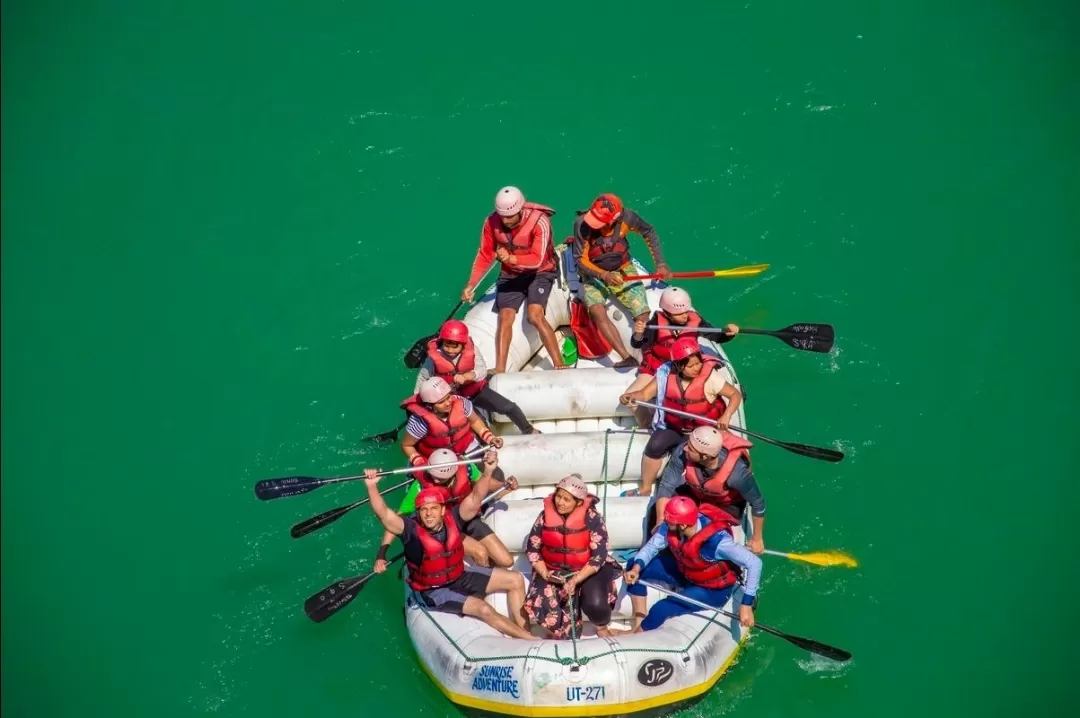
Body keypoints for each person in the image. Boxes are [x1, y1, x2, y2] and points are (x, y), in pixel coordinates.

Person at [364, 450, 533, 639]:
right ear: (418, 512)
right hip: (434, 591)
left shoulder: (454, 518)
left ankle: (527, 632)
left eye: (433, 509)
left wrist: (488, 471)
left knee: (515, 579)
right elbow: (384, 514)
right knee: (484, 609)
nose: (428, 514)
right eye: (424, 510)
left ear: (443, 509)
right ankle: (531, 641)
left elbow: (475, 497)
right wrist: (372, 487)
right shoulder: (410, 530)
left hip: (458, 576)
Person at [619, 337, 742, 500]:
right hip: (674, 426)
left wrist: (726, 415)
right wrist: (631, 396)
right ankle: (645, 488)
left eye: (698, 363)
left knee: (681, 455)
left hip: (701, 431)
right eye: (690, 366)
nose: (696, 368)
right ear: (678, 365)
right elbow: (645, 394)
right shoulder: (665, 374)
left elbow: (735, 395)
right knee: (654, 446)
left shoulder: (710, 377)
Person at [461, 186, 566, 374]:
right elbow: (485, 254)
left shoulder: (540, 222)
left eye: (510, 216)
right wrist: (472, 284)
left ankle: (559, 364)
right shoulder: (491, 222)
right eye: (502, 216)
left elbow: (537, 259)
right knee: (505, 317)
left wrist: (511, 258)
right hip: (511, 274)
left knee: (535, 315)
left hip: (540, 272)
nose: (506, 221)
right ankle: (500, 369)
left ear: (520, 209)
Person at [623, 496, 762, 632]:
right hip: (687, 572)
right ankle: (638, 624)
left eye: (669, 521)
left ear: (683, 525)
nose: (665, 523)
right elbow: (652, 547)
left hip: (712, 590)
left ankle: (636, 636)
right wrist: (636, 569)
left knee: (661, 608)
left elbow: (755, 563)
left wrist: (746, 604)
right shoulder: (672, 526)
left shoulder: (718, 542)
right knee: (633, 564)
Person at [373, 447, 519, 573]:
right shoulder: (419, 487)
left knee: (507, 561)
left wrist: (504, 485)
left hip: (467, 519)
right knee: (480, 552)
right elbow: (396, 519)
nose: (435, 480)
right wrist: (381, 553)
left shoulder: (466, 468)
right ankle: (485, 579)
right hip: (445, 528)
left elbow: (487, 484)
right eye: (433, 475)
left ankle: (487, 567)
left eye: (440, 477)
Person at [570, 193, 672, 368]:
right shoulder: (582, 224)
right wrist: (604, 275)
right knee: (597, 311)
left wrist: (661, 264)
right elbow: (580, 259)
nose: (595, 224)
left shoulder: (628, 218)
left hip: (622, 268)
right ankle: (626, 357)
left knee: (643, 314)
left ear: (615, 218)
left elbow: (649, 232)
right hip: (594, 274)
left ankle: (643, 347)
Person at [523, 475, 622, 639]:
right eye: (558, 497)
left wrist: (575, 580)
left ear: (578, 502)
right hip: (553, 569)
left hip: (588, 568)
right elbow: (533, 549)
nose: (560, 502)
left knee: (595, 604)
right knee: (543, 596)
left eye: (566, 500)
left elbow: (599, 556)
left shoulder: (592, 519)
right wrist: (546, 574)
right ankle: (556, 634)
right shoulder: (544, 516)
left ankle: (602, 627)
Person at [623, 286, 739, 426]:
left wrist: (728, 333)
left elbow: (717, 336)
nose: (684, 316)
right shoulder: (655, 324)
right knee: (631, 400)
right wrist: (639, 333)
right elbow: (637, 344)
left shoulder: (695, 320)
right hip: (659, 367)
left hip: (687, 368)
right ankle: (646, 423)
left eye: (686, 311)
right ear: (667, 313)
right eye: (679, 313)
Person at [414, 320, 539, 435]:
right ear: (442, 342)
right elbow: (422, 380)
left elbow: (482, 370)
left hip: (476, 392)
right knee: (479, 428)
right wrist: (420, 404)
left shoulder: (472, 350)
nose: (450, 350)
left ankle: (529, 431)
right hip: (453, 399)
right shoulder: (433, 359)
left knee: (510, 407)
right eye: (447, 346)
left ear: (463, 345)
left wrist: (468, 376)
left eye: (455, 347)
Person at [651, 427, 766, 550]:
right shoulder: (683, 452)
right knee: (661, 509)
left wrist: (757, 539)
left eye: (690, 448)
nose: (685, 448)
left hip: (726, 506)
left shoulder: (737, 474)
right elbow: (667, 485)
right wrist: (661, 520)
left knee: (701, 534)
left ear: (705, 456)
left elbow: (758, 504)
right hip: (698, 492)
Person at [400, 376, 503, 470]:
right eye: (441, 402)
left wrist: (490, 438)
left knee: (496, 475)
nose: (448, 403)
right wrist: (419, 462)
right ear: (429, 405)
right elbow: (407, 445)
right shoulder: (420, 422)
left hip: (466, 447)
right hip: (439, 459)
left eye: (448, 397)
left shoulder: (462, 403)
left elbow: (475, 421)